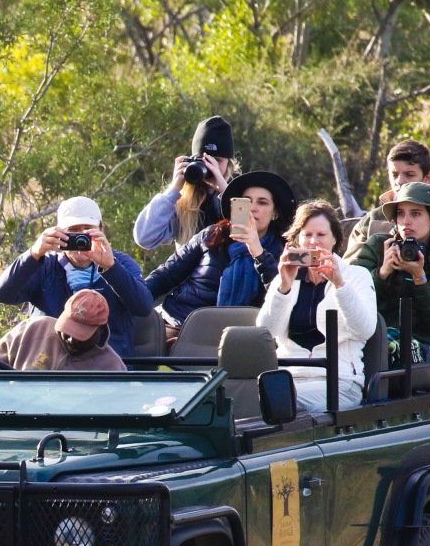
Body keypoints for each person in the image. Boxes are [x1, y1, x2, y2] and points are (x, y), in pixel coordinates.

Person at [0, 196, 154, 360]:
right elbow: (3, 295)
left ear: (101, 230)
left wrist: (111, 268)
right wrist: (34, 254)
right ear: (59, 233)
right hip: (50, 366)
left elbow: (143, 306)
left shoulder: (121, 263)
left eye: (87, 230)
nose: (81, 238)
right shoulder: (43, 266)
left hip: (106, 367)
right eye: (73, 231)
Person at [255, 200, 378, 413]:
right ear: (297, 240)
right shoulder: (286, 278)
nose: (313, 242)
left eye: (321, 235)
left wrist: (340, 284)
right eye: (307, 235)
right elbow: (266, 332)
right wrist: (284, 287)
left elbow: (365, 329)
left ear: (334, 239)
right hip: (290, 379)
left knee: (274, 402)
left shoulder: (356, 276)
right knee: (253, 399)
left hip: (340, 382)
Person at [144, 170, 294, 341]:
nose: (253, 208)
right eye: (246, 202)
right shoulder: (212, 235)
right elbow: (166, 275)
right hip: (182, 323)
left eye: (263, 203)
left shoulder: (282, 252)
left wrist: (257, 251)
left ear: (274, 213)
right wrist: (134, 297)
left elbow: (281, 296)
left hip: (242, 336)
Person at [351, 182, 430, 355]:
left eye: (416, 214)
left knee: (392, 355)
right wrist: (382, 273)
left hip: (423, 342)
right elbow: (354, 301)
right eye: (400, 214)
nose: (406, 221)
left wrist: (420, 278)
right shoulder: (377, 246)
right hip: (375, 336)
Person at [133, 115, 239, 250]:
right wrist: (173, 189)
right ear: (193, 159)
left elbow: (252, 235)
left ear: (229, 164)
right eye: (204, 160)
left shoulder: (241, 195)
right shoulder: (183, 203)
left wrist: (225, 191)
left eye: (217, 161)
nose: (211, 166)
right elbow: (144, 238)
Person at [358, 138, 430, 254]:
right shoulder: (370, 222)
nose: (399, 181)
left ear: (427, 178)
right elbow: (348, 270)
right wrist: (382, 271)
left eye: (409, 174)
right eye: (394, 175)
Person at [0, 288, 126, 372]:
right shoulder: (33, 329)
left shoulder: (112, 367)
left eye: (80, 335)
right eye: (68, 330)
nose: (71, 339)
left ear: (100, 331)